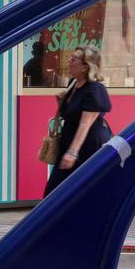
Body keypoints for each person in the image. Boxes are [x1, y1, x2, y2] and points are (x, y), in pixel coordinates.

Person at [43, 45, 112, 197]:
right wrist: (61, 101)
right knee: (54, 192)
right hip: (69, 142)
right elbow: (70, 115)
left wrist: (72, 153)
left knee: (79, 193)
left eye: (74, 59)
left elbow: (85, 123)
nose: (69, 61)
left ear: (85, 66)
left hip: (87, 149)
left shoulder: (95, 89)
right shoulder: (73, 83)